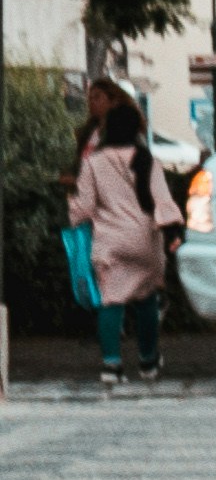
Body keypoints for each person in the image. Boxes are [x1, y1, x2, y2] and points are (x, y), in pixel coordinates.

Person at [62, 78, 172, 386]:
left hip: (109, 239)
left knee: (111, 299)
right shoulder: (147, 159)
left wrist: (73, 212)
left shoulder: (94, 163)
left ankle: (111, 365)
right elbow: (163, 201)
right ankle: (148, 361)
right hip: (145, 239)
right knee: (146, 298)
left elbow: (83, 207)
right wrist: (173, 233)